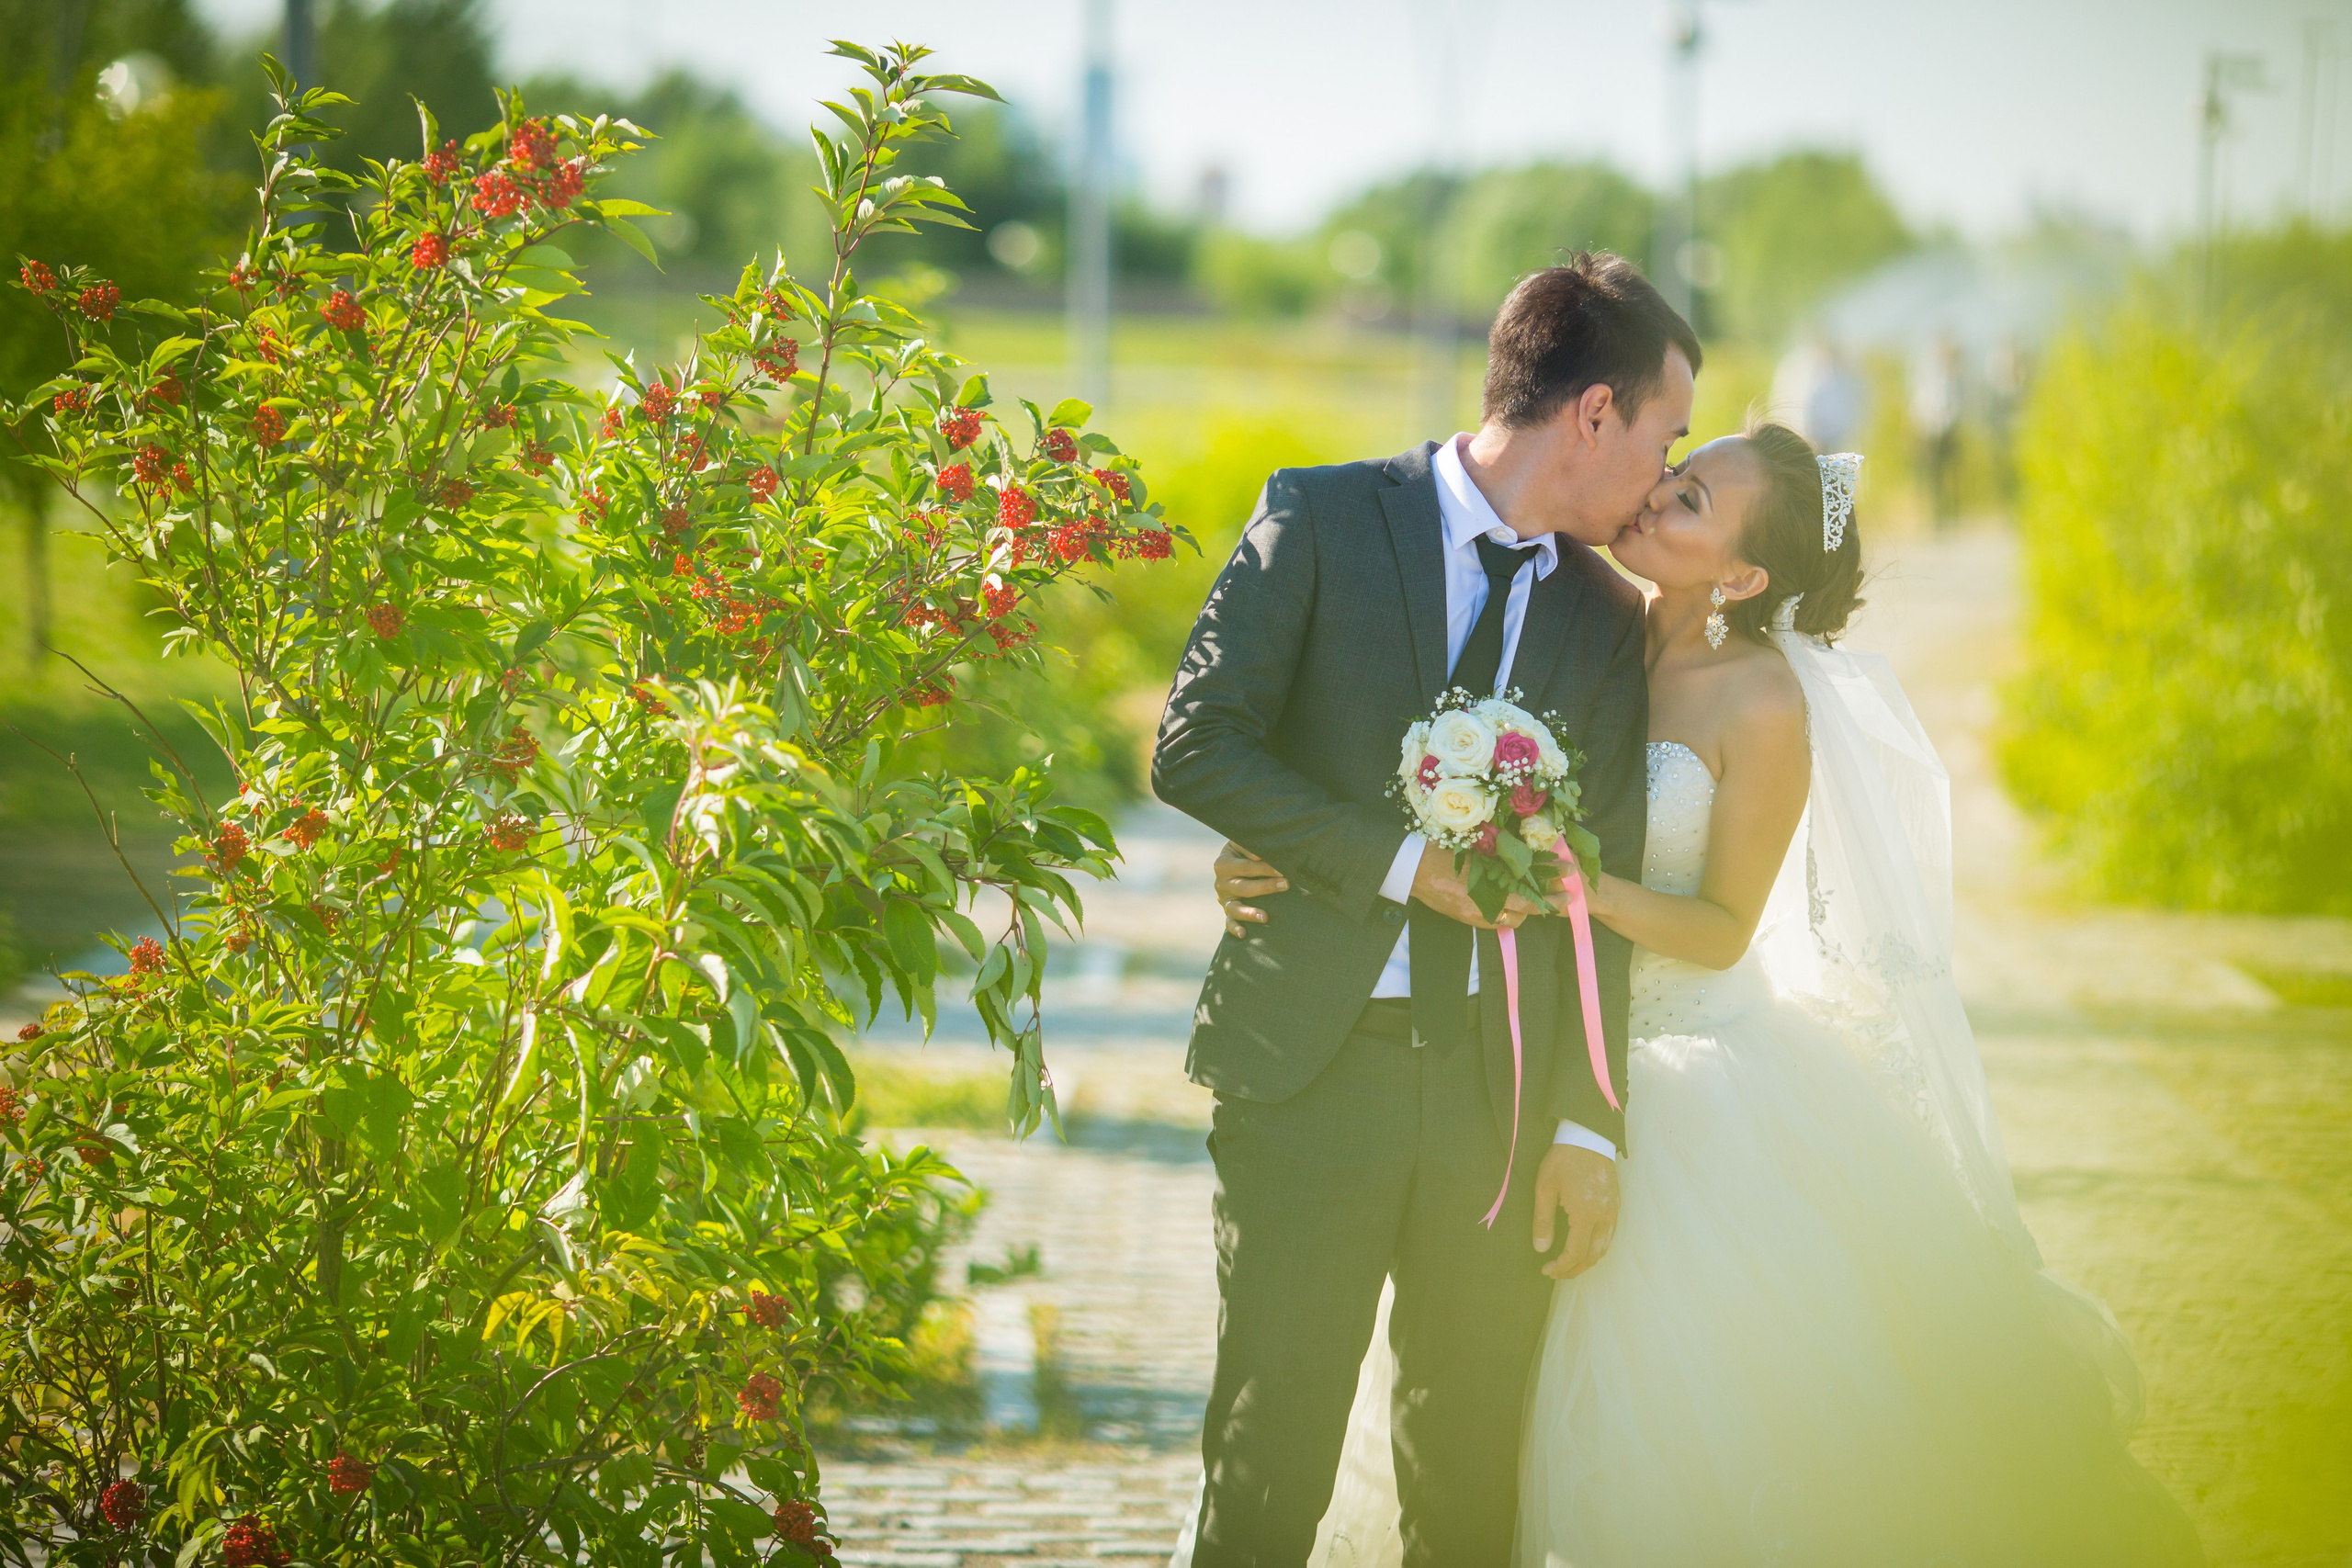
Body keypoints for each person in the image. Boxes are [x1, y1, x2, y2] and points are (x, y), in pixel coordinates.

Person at [1202, 424, 2205, 1566]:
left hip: (1681, 1086)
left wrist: (1580, 891)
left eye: (1685, 501)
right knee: (1476, 1426)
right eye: (1670, 478)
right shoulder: (1580, 624)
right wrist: (1278, 851)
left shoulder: (1761, 705)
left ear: (1741, 576)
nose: (1648, 502)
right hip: (1509, 1067)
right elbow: (1407, 768)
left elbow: (1725, 932)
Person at [1150, 253, 1690, 1568]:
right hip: (1306, 1075)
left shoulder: (1615, 619)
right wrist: (1398, 862)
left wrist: (1586, 1122)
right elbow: (1195, 745)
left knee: (1468, 1491)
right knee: (1266, 1463)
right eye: (1666, 434)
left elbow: (1597, 885)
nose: (1664, 471)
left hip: (1497, 1111)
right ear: (1595, 412)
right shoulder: (1321, 518)